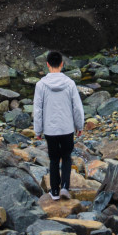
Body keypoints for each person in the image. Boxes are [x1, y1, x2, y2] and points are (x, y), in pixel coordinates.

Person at [33, 50, 84, 201]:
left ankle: (54, 192)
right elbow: (77, 107)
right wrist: (79, 125)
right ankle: (65, 188)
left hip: (50, 129)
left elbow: (37, 109)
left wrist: (38, 130)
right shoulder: (70, 83)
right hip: (67, 128)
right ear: (62, 64)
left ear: (47, 64)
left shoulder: (41, 85)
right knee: (67, 157)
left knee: (54, 159)